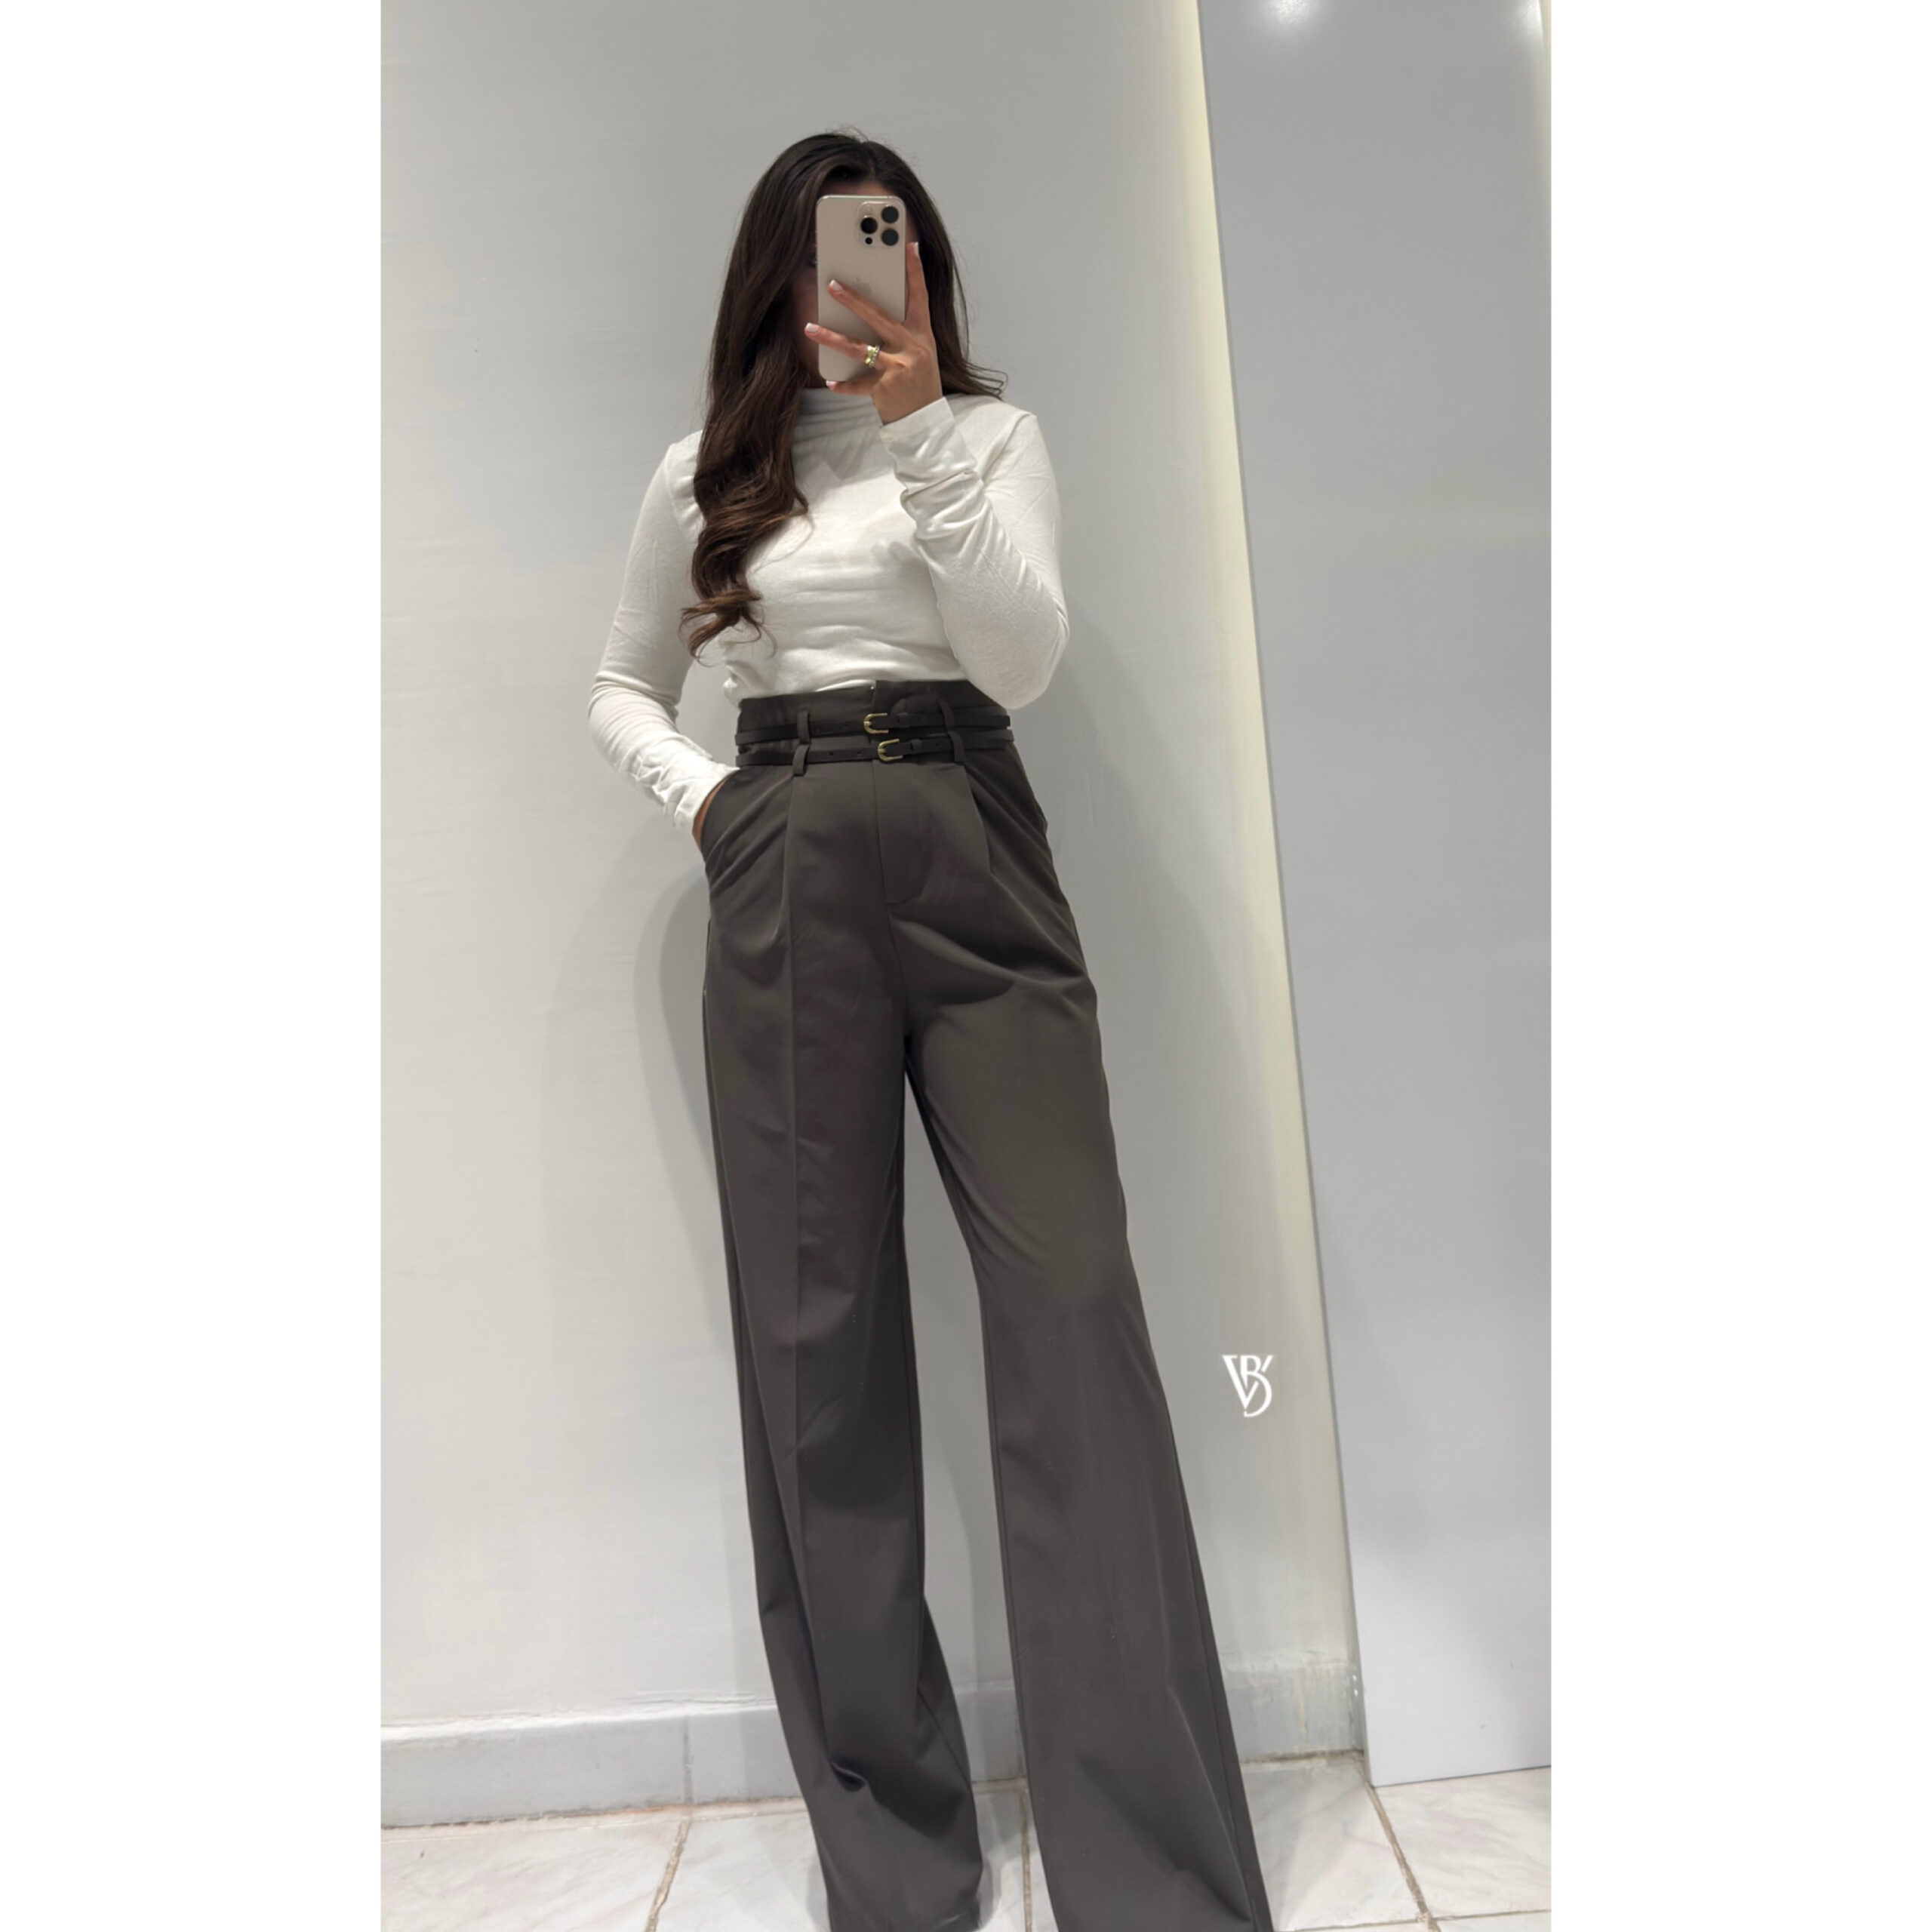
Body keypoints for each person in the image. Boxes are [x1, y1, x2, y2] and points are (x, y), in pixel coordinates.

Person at [588, 131, 1275, 1932]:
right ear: (774, 276)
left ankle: (1151, 1869)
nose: (852, 282)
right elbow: (622, 683)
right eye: (825, 254)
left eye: (880, 250)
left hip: (974, 827)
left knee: (1072, 1307)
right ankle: (896, 1867)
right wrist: (710, 802)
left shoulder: (985, 436)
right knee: (816, 1347)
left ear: (916, 267)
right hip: (785, 843)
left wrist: (912, 428)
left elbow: (1021, 658)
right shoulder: (703, 475)